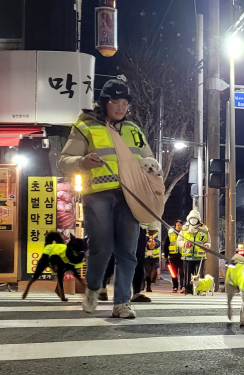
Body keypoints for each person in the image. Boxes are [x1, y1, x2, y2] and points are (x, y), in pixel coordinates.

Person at [59, 78, 153, 319]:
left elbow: (148, 160)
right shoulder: (85, 127)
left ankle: (122, 302)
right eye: (114, 101)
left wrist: (152, 169)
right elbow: (64, 161)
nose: (120, 107)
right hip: (97, 195)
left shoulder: (134, 130)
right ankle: (92, 288)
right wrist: (82, 162)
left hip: (130, 197)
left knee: (128, 251)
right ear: (103, 102)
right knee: (101, 247)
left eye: (124, 102)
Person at [176, 210, 210, 295]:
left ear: (198, 219)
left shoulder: (204, 230)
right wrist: (185, 244)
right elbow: (178, 242)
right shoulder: (184, 230)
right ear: (189, 219)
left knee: (200, 275)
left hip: (200, 256)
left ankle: (201, 290)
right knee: (188, 275)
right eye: (191, 218)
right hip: (188, 256)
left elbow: (208, 241)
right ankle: (188, 291)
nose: (193, 219)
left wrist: (207, 245)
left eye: (195, 218)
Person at [164, 220, 184, 293]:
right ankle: (175, 287)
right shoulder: (170, 233)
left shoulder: (185, 234)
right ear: (175, 226)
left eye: (180, 225)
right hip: (173, 256)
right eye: (178, 225)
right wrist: (166, 256)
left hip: (182, 256)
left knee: (182, 272)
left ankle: (182, 287)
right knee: (174, 273)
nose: (179, 226)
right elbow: (166, 245)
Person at [143, 224, 160, 293]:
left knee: (150, 272)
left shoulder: (155, 237)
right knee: (145, 271)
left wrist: (153, 245)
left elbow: (157, 243)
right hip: (145, 257)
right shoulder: (143, 236)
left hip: (153, 257)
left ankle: (148, 286)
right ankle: (143, 284)